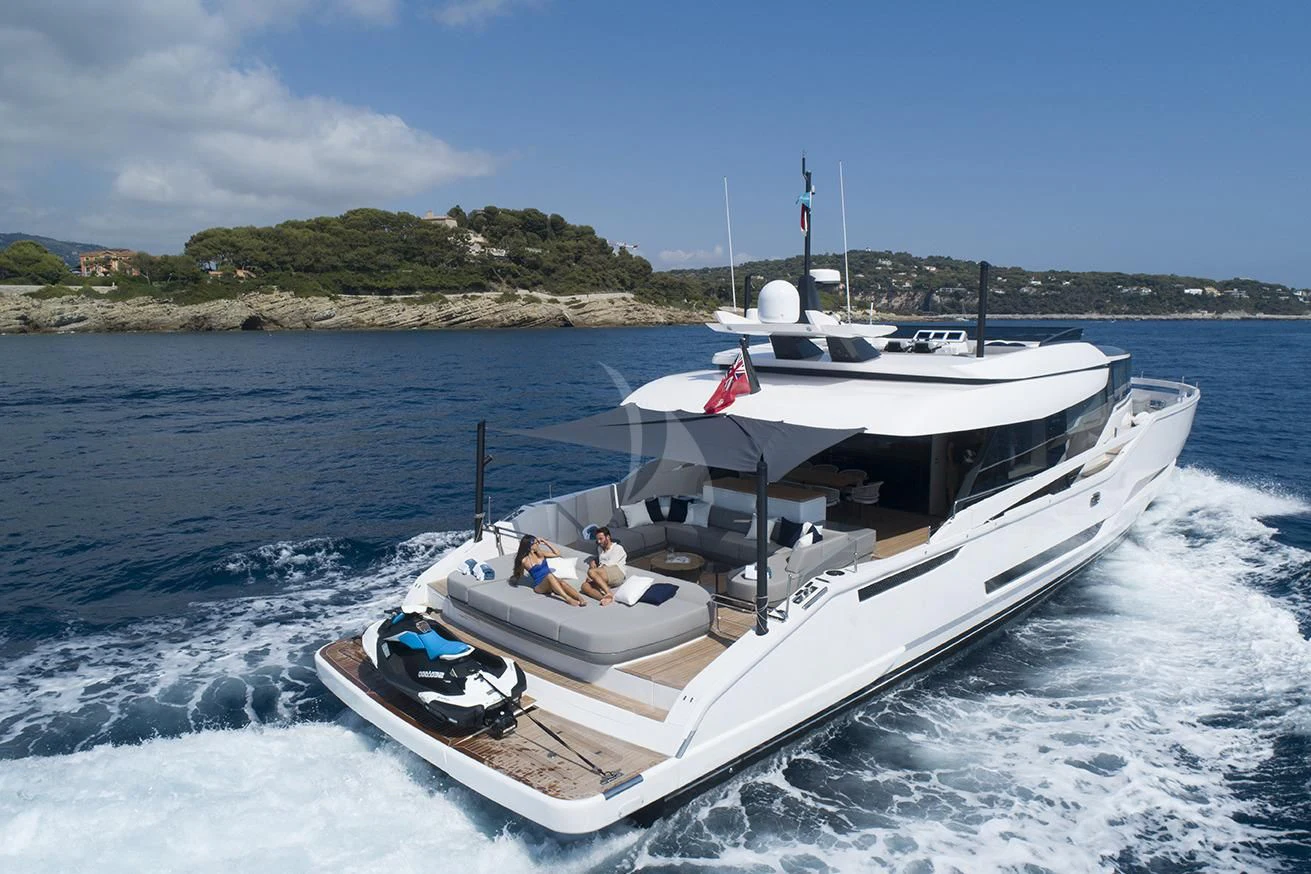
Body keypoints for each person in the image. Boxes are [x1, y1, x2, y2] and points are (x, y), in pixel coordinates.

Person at [511, 535, 587, 607]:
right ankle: (568, 599)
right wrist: (515, 579)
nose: (538, 544)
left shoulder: (541, 554)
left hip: (552, 583)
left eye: (537, 542)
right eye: (536, 543)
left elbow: (557, 553)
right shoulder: (524, 561)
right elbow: (519, 572)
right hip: (540, 586)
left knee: (562, 582)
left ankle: (580, 598)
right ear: (530, 547)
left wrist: (546, 542)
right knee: (550, 575)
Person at [582, 526, 627, 606]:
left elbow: (609, 564)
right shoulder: (600, 549)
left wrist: (594, 571)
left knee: (591, 572)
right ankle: (604, 598)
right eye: (597, 540)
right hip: (606, 576)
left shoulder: (617, 548)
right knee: (584, 586)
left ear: (608, 537)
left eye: (601, 539)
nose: (599, 541)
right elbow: (602, 564)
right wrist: (593, 563)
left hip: (617, 572)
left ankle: (609, 593)